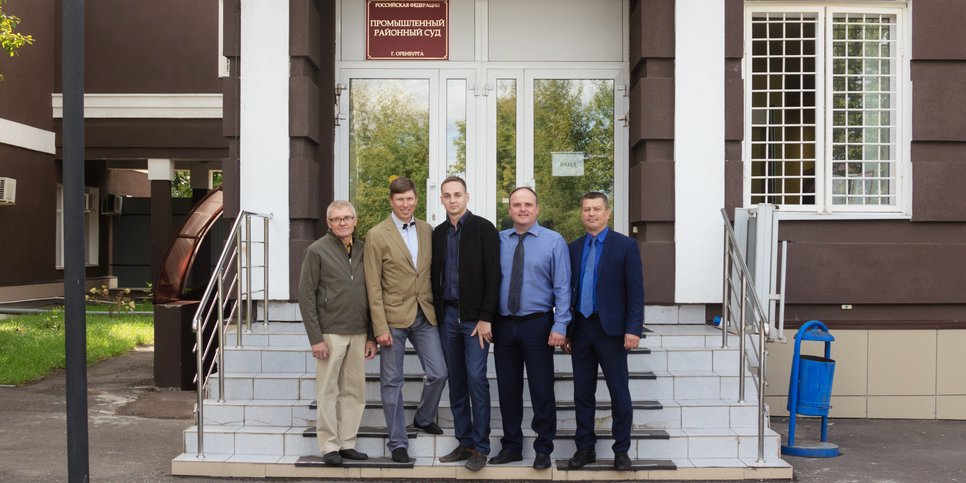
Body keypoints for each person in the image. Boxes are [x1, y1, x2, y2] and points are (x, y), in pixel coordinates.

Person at [364, 176, 448, 463]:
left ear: (416, 200)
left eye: (410, 199)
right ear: (391, 201)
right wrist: (379, 327)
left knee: (439, 372)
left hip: (424, 313)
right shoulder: (376, 235)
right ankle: (398, 442)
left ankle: (424, 417)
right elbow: (372, 286)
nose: (405, 204)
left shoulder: (427, 229)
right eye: (400, 199)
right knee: (392, 382)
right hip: (392, 318)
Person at [489, 186, 572, 470]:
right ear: (509, 209)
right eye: (516, 204)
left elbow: (563, 287)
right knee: (508, 389)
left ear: (537, 209)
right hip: (503, 326)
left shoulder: (553, 241)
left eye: (528, 204)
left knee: (541, 388)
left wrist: (561, 324)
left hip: (538, 324)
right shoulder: (497, 241)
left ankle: (543, 447)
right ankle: (511, 446)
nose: (522, 209)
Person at [564, 192, 644, 471]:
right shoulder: (572, 248)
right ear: (581, 214)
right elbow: (568, 291)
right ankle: (585, 448)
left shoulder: (626, 246)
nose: (591, 214)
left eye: (597, 209)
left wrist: (633, 328)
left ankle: (621, 450)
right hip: (581, 328)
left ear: (607, 213)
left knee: (618, 392)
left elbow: (635, 292)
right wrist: (567, 331)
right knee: (582, 393)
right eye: (586, 209)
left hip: (611, 330)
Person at [298, 200, 378, 466]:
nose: (342, 223)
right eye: (336, 219)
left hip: (358, 332)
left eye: (347, 218)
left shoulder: (365, 249)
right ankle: (329, 445)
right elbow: (306, 296)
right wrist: (316, 338)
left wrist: (370, 335)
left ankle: (347, 443)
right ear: (328, 223)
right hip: (330, 333)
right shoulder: (316, 250)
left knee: (354, 392)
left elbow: (371, 293)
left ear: (355, 221)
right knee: (328, 391)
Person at [430, 176, 501, 472]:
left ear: (467, 197)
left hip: (474, 320)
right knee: (456, 381)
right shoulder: (438, 233)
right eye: (447, 196)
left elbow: (494, 276)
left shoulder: (484, 229)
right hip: (447, 316)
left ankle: (481, 447)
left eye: (457, 194)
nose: (452, 200)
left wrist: (486, 317)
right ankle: (465, 442)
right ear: (442, 200)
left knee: (476, 379)